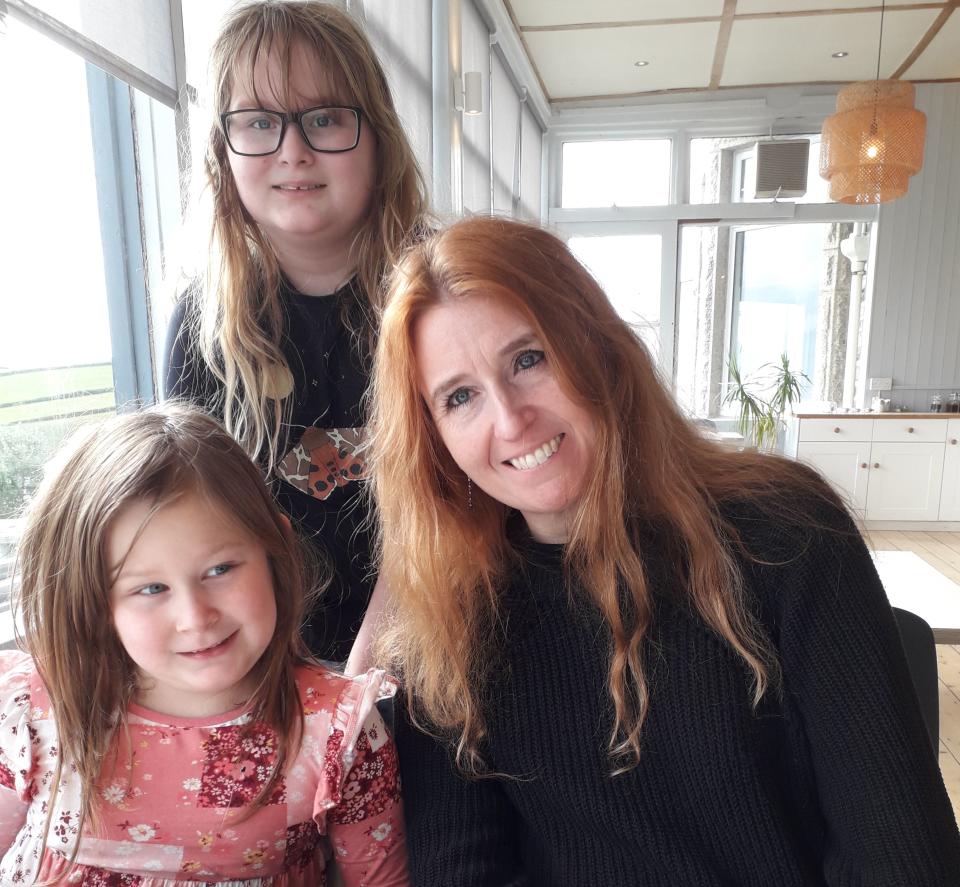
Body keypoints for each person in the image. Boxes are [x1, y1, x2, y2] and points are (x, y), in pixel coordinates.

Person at [366, 216, 960, 886]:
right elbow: (463, 869)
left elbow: (902, 854)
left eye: (529, 359)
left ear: (597, 347)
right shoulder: (451, 622)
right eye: (461, 396)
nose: (508, 418)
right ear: (434, 439)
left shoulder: (786, 534)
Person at [0, 406, 408, 886]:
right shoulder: (37, 709)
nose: (195, 618)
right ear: (92, 601)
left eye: (220, 570)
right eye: (151, 589)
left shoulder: (337, 732)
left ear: (275, 548)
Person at [164, 0, 430, 662]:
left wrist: (365, 674)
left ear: (379, 136)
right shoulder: (201, 329)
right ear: (223, 153)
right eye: (258, 122)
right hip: (273, 668)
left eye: (324, 118)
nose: (294, 151)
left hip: (441, 648)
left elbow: (460, 506)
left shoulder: (443, 296)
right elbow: (197, 532)